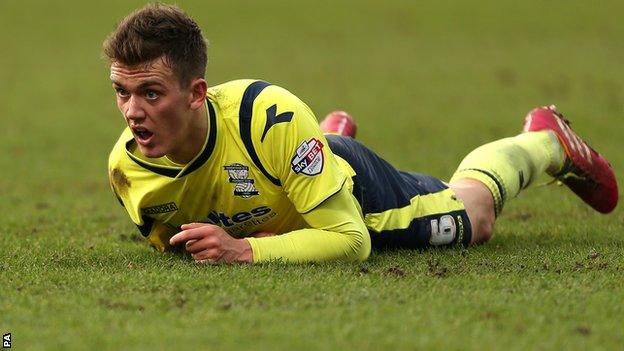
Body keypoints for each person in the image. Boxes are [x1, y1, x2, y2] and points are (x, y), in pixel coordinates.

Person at [104, 4, 618, 264]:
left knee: (475, 217)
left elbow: (350, 241)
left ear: (196, 93)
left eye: (151, 93)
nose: (133, 111)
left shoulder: (264, 118)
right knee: (298, 164)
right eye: (122, 93)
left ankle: (546, 141)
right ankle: (314, 150)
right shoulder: (129, 173)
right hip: (293, 174)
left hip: (355, 195)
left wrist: (246, 252)